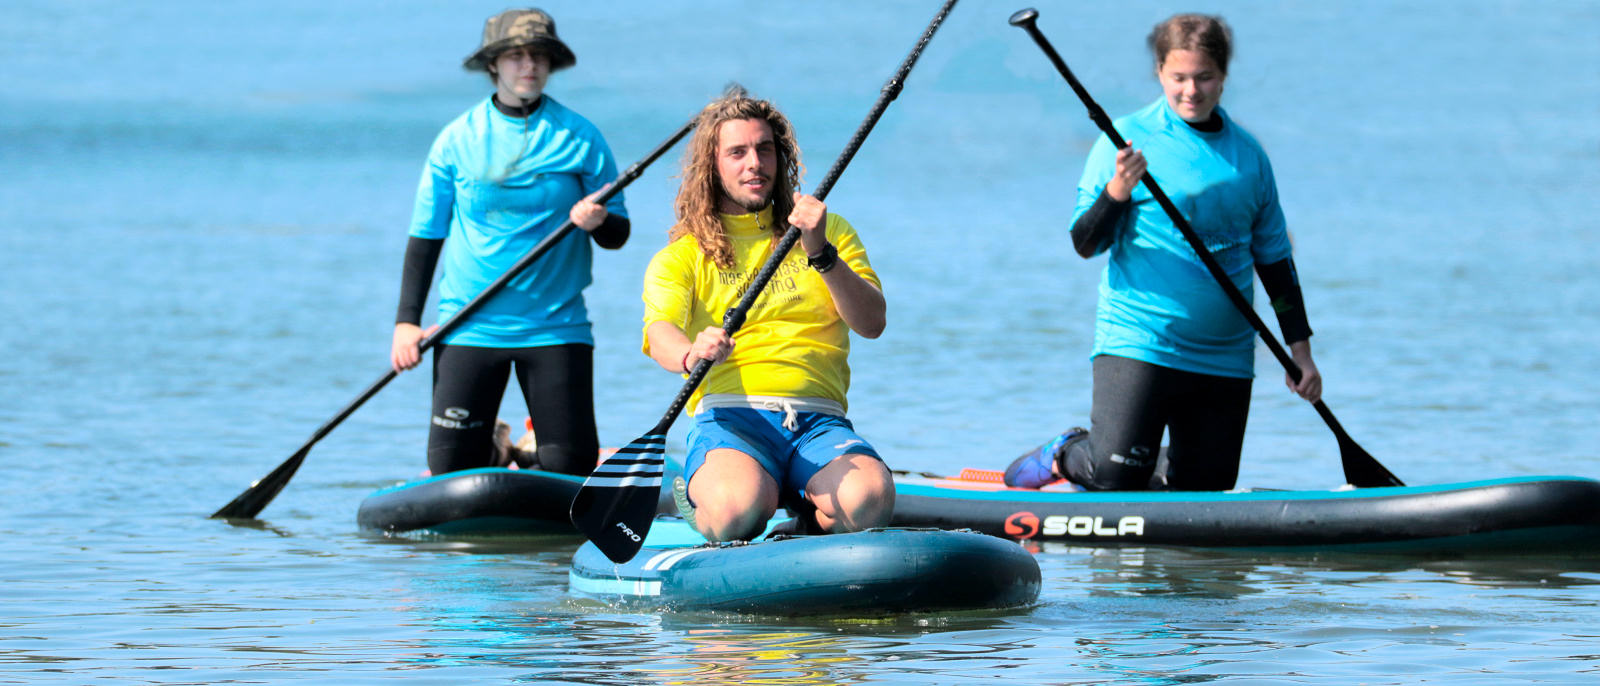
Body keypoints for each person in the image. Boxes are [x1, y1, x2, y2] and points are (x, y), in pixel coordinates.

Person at [1006, 13, 1322, 491]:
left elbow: (1276, 264)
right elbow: (1085, 243)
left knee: (1205, 491)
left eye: (1204, 77)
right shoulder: (1127, 140)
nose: (1191, 90)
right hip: (1140, 339)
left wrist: (1300, 351)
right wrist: (1116, 191)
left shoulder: (1249, 157)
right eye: (1179, 78)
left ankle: (1148, 458)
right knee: (1114, 476)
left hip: (1225, 354)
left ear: (1224, 77)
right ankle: (1067, 451)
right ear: (1159, 73)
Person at [640, 91, 893, 542]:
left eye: (764, 149)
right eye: (737, 153)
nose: (753, 163)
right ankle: (704, 503)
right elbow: (659, 332)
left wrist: (820, 254)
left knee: (870, 499)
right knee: (738, 514)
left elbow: (872, 323)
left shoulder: (827, 230)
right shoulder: (683, 254)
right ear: (712, 166)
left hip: (818, 422)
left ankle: (803, 524)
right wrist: (689, 353)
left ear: (781, 157)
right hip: (732, 420)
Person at [390, 8, 629, 478]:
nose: (530, 66)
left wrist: (597, 220)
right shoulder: (456, 140)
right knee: (449, 468)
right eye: (517, 56)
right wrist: (405, 323)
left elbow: (617, 235)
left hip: (556, 326)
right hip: (467, 323)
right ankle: (498, 447)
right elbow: (426, 236)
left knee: (570, 469)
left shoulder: (580, 137)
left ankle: (534, 444)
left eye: (539, 56)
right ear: (493, 65)